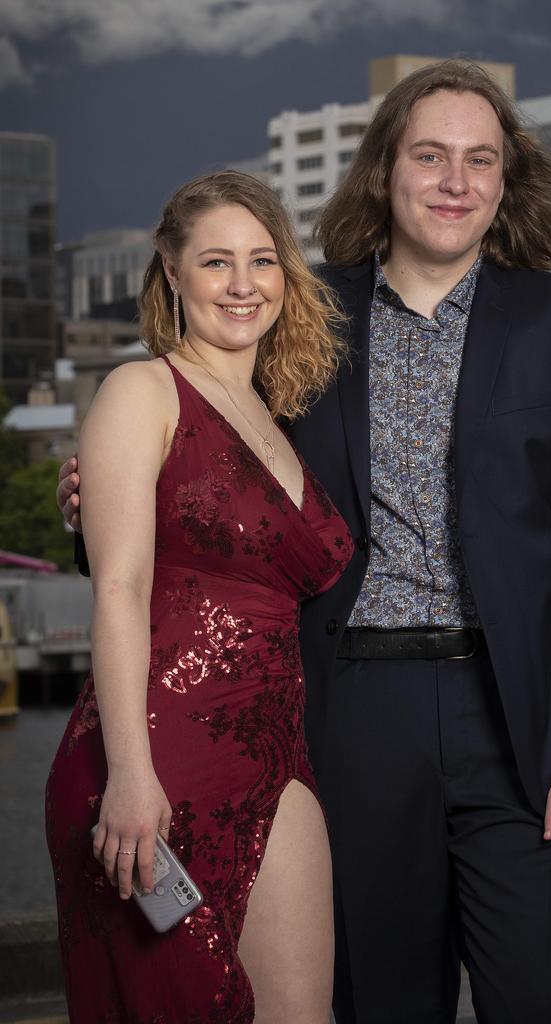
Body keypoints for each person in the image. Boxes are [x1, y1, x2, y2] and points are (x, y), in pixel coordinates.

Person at [59, 61, 551, 1023]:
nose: (455, 180)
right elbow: (205, 473)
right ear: (384, 170)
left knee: (549, 997)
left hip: (527, 724)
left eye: (480, 160)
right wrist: (93, 494)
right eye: (429, 155)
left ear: (506, 183)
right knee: (377, 1002)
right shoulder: (301, 313)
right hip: (347, 716)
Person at [47, 170, 352, 1024]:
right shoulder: (141, 391)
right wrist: (130, 776)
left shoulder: (276, 415)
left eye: (263, 260)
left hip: (276, 752)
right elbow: (119, 585)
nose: (244, 283)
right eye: (217, 261)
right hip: (151, 758)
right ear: (172, 274)